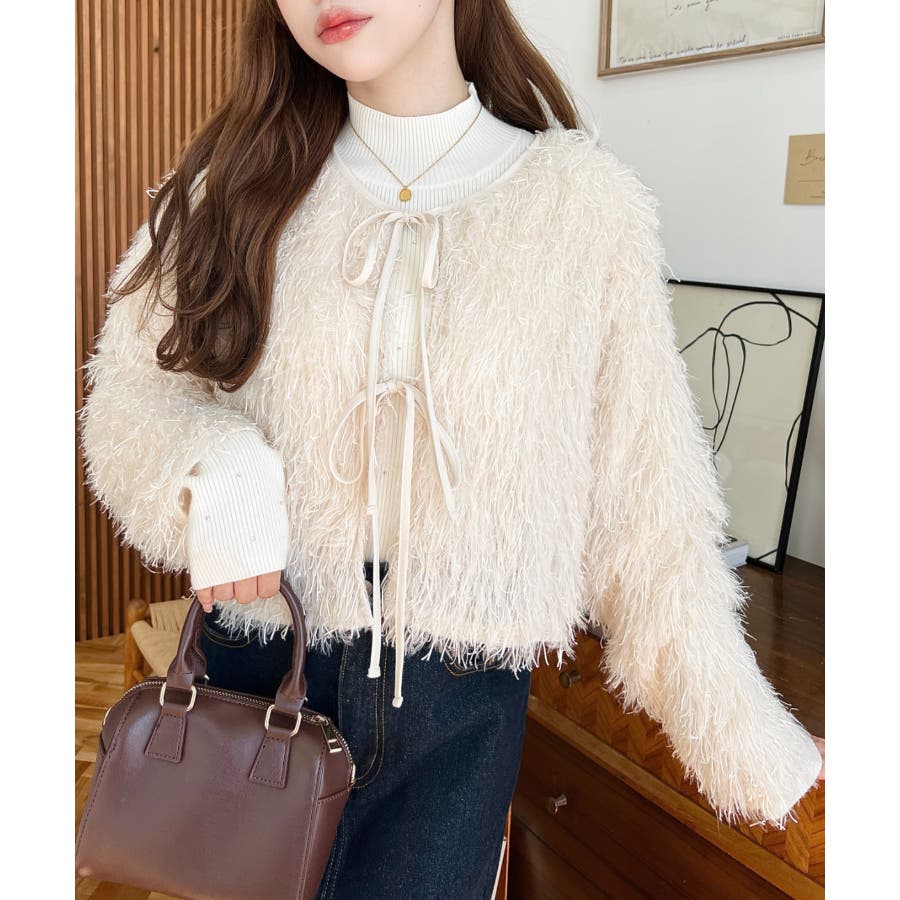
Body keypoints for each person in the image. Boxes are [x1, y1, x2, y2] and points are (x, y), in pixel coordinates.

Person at [78, 1, 825, 897]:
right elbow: (127, 401)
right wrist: (216, 469)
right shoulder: (228, 186)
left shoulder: (579, 207)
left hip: (456, 712)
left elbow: (651, 515)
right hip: (262, 669)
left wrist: (759, 750)